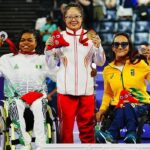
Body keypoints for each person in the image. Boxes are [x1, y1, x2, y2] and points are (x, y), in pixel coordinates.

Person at [45, 2, 106, 143]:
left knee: (87, 129)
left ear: (82, 18)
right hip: (65, 90)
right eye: (69, 16)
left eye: (77, 16)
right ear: (64, 19)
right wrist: (48, 50)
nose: (73, 19)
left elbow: (100, 62)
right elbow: (51, 65)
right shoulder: (58, 37)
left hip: (86, 90)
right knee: (65, 129)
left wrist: (98, 46)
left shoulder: (91, 36)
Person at [0, 29, 56, 149]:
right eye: (22, 40)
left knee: (40, 105)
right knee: (15, 104)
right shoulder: (7, 59)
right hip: (15, 97)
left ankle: (41, 143)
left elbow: (57, 76)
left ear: (36, 43)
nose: (26, 43)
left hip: (37, 96)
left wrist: (54, 57)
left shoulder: (43, 59)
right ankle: (24, 141)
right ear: (18, 43)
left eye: (30, 40)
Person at [96, 32, 150, 143]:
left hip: (141, 104)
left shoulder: (139, 64)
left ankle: (112, 134)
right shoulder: (108, 70)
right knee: (123, 106)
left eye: (124, 44)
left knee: (126, 104)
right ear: (113, 47)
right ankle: (131, 134)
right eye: (117, 44)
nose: (120, 47)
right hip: (118, 106)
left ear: (129, 47)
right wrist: (102, 109)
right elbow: (108, 93)